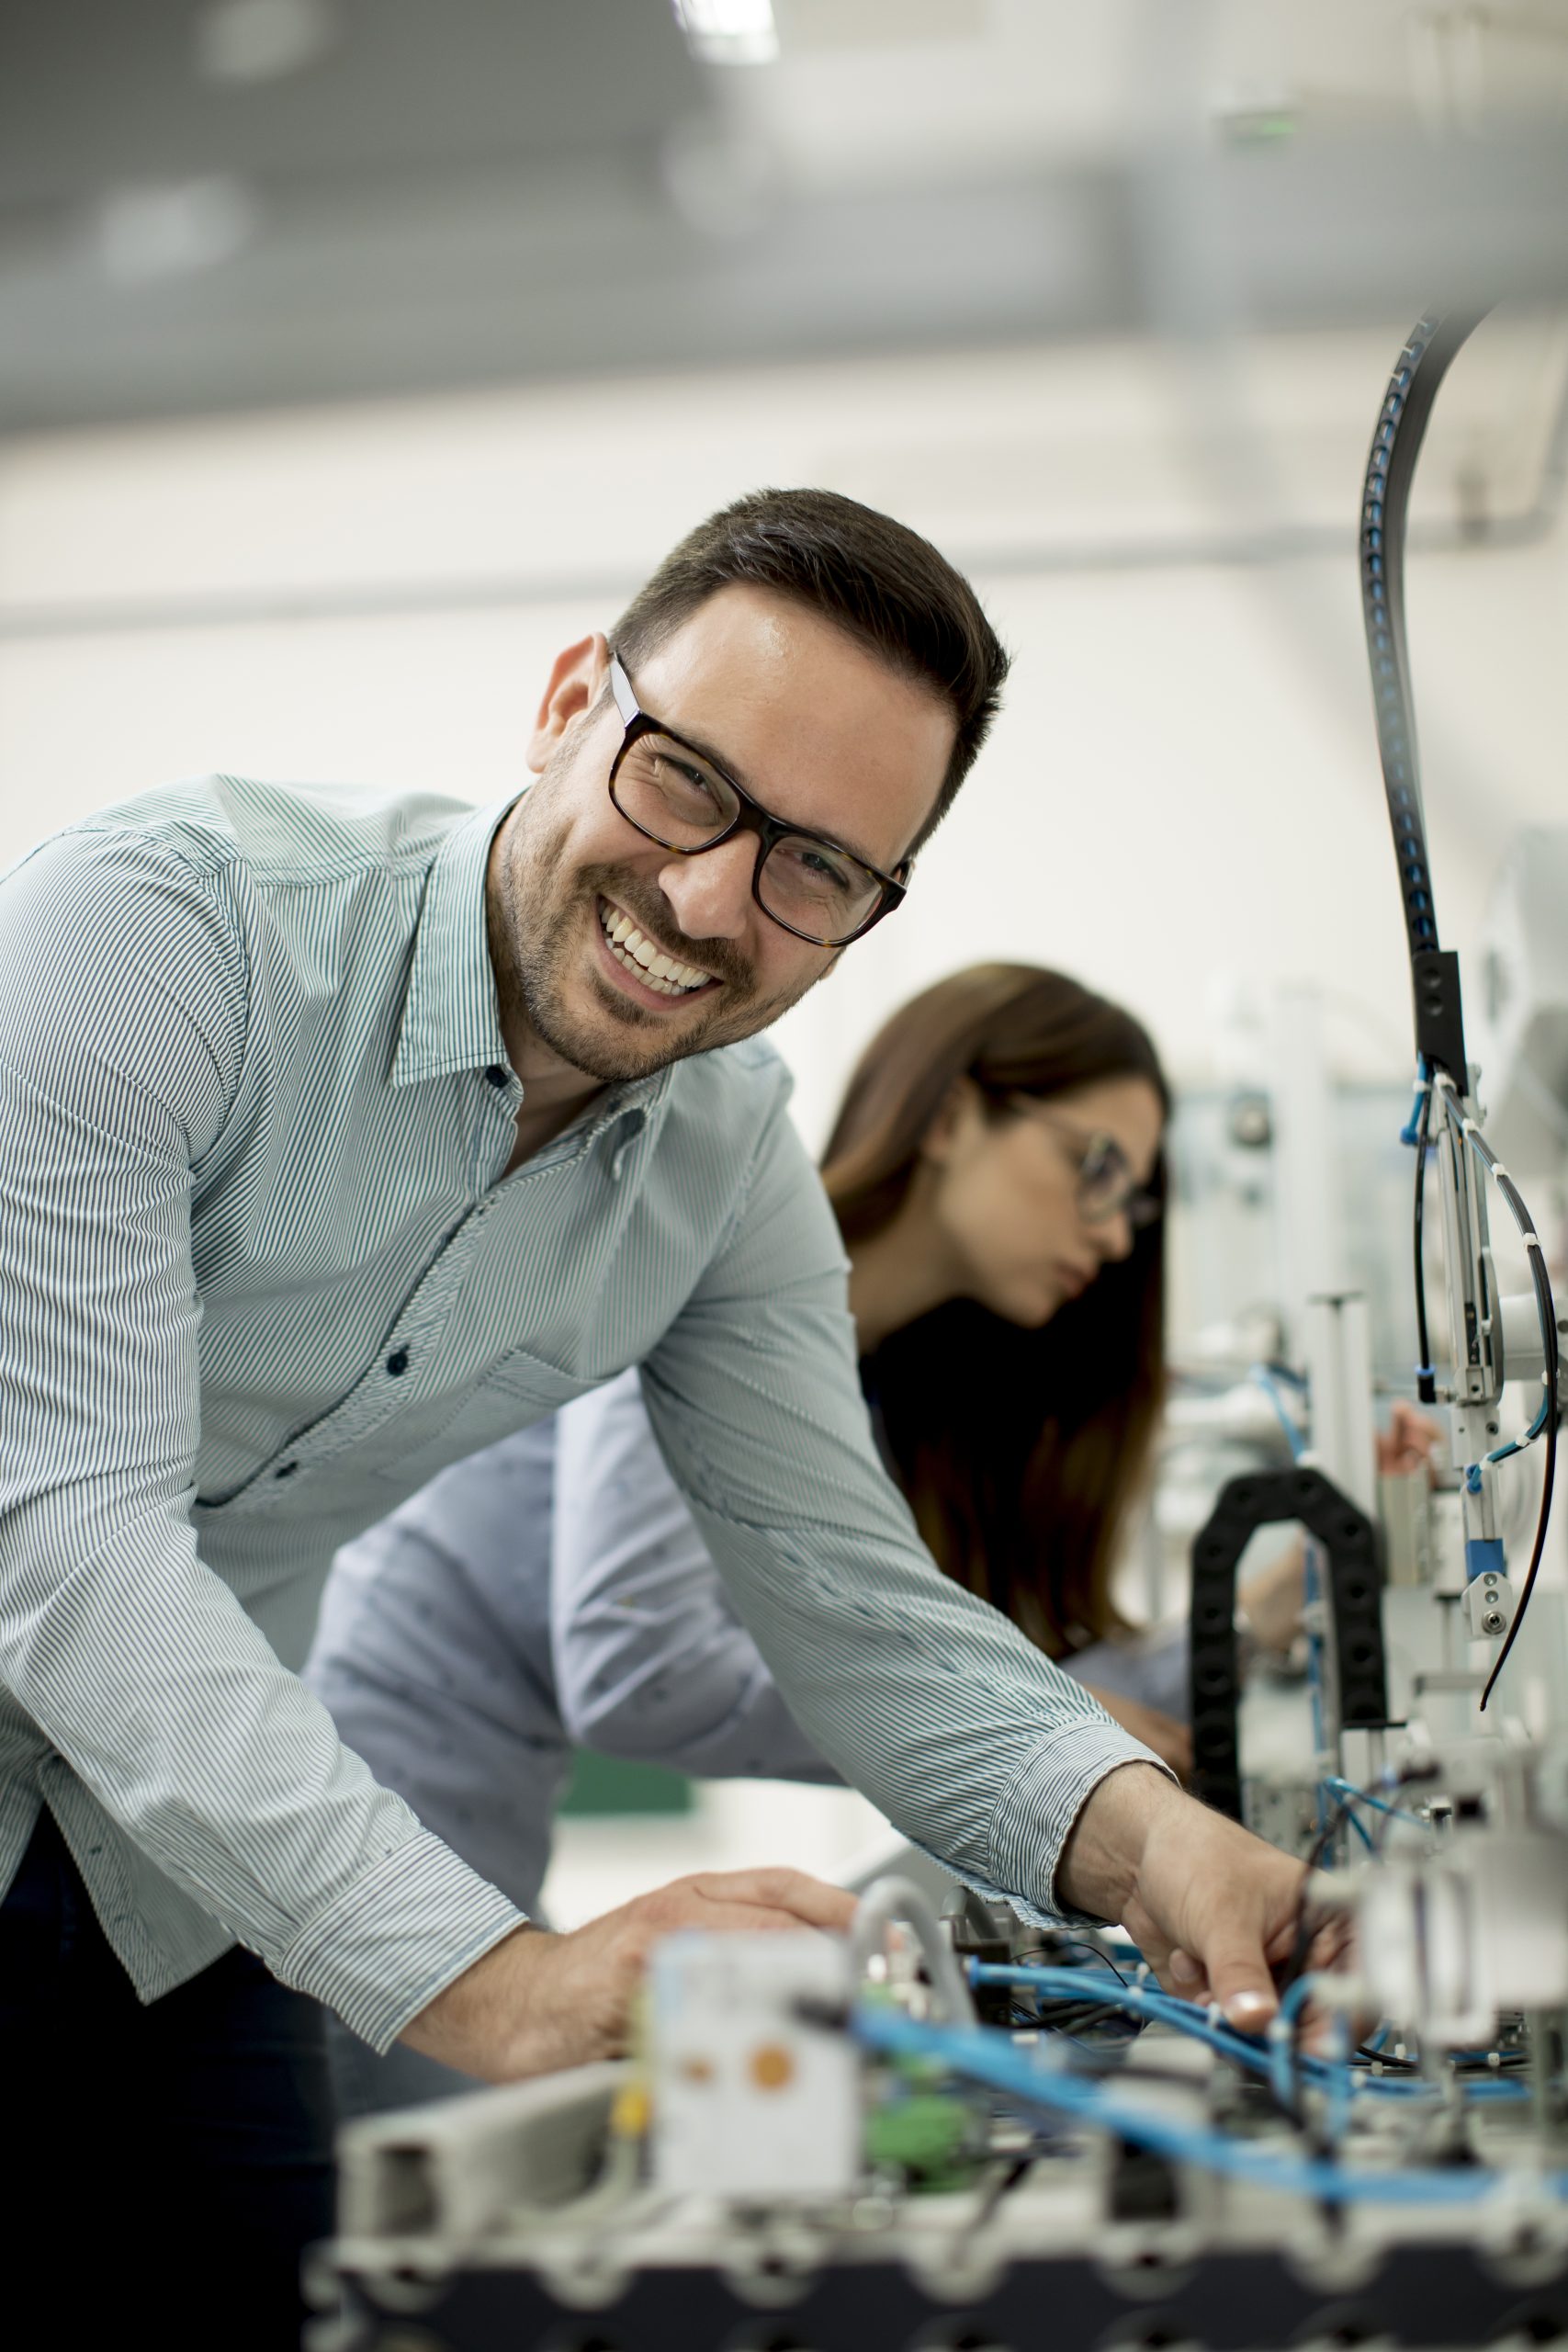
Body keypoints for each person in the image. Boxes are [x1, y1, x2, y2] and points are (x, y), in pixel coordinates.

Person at [0, 488, 1326, 2341]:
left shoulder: (721, 1167)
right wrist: (498, 1972)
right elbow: (68, 1542)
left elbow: (854, 1605)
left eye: (819, 871)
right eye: (685, 779)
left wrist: (1148, 1832)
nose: (709, 901)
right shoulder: (160, 934)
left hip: (175, 1883)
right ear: (566, 701)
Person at [311, 961, 1434, 2113]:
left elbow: (953, 1663)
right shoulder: (710, 1267)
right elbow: (637, 1667)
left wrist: (1248, 1622)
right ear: (952, 1116)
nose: (1111, 1231)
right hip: (361, 1820)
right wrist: (1048, 1747)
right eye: (1093, 1166)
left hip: (472, 1829)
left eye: (1136, 1199)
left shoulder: (882, 1389)